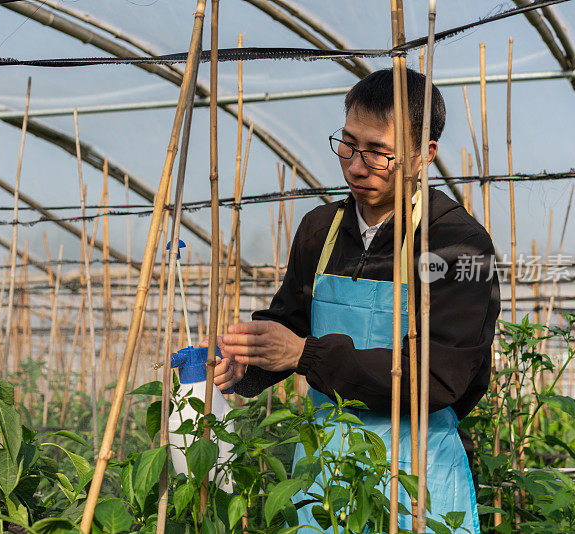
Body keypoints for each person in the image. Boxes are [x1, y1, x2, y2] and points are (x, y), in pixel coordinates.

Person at [211, 68, 500, 533]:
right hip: (323, 467)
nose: (355, 165)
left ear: (424, 154)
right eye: (348, 144)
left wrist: (306, 355)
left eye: (379, 153)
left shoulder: (457, 243)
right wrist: (249, 364)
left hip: (415, 472)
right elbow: (290, 324)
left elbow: (438, 377)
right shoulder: (319, 229)